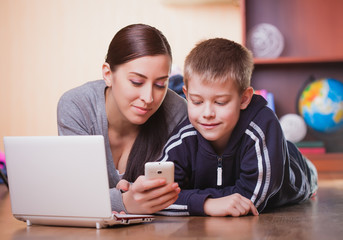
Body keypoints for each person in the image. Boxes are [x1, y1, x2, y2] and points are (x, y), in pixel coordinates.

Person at [157, 38, 318, 217]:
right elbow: (156, 199)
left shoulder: (262, 127)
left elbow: (249, 201)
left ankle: (304, 165)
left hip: (295, 170)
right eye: (197, 101)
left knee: (295, 163)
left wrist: (190, 199)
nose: (207, 113)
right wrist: (208, 204)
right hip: (253, 163)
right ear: (186, 95)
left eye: (220, 102)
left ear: (244, 99)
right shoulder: (183, 137)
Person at [57, 24, 188, 214]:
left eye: (161, 84)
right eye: (137, 82)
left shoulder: (176, 111)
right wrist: (124, 201)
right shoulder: (77, 106)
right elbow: (73, 196)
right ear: (108, 75)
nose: (149, 98)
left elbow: (181, 188)